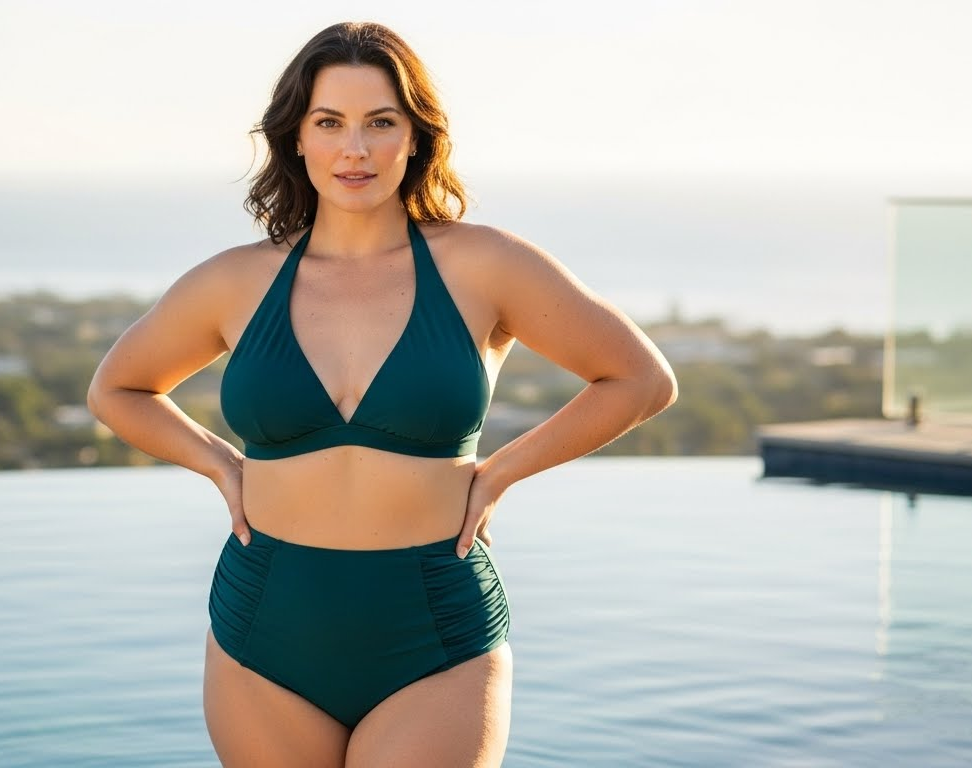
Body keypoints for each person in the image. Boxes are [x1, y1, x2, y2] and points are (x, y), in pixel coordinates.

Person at [87, 21, 677, 768]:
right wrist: (218, 463)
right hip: (264, 628)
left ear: (416, 136)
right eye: (329, 123)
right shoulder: (234, 280)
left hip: (433, 632)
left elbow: (639, 379)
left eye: (380, 122)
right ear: (296, 138)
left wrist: (498, 473)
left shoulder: (485, 264)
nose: (355, 150)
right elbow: (118, 388)